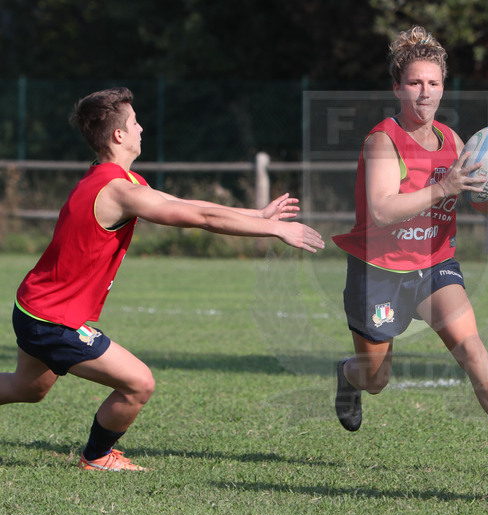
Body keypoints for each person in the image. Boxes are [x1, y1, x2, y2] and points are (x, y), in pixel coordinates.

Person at [2, 87, 325, 471]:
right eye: (135, 122)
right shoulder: (118, 190)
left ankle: (97, 454)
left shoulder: (115, 180)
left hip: (33, 306)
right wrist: (275, 230)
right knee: (139, 384)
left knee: (27, 389)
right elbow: (202, 219)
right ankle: (98, 456)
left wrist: (256, 215)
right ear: (119, 135)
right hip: (53, 320)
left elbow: (182, 204)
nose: (141, 128)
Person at [331, 26, 488, 474]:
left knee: (473, 350)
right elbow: (382, 210)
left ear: (443, 87)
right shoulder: (383, 140)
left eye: (433, 83)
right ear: (397, 88)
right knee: (376, 379)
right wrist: (444, 187)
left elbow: (483, 206)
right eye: (415, 83)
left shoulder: (453, 141)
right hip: (378, 271)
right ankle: (348, 374)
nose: (425, 92)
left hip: (435, 264)